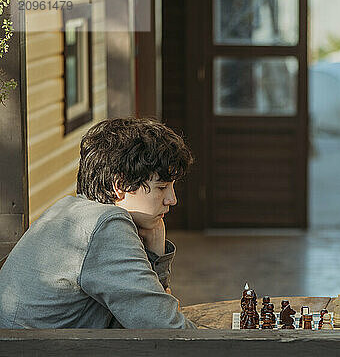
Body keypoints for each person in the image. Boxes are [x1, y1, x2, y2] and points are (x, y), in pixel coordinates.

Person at [0, 118, 196, 329]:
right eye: (162, 187)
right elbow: (165, 327)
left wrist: (154, 253)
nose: (172, 199)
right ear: (120, 185)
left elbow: (148, 310)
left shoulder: (69, 208)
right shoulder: (105, 226)